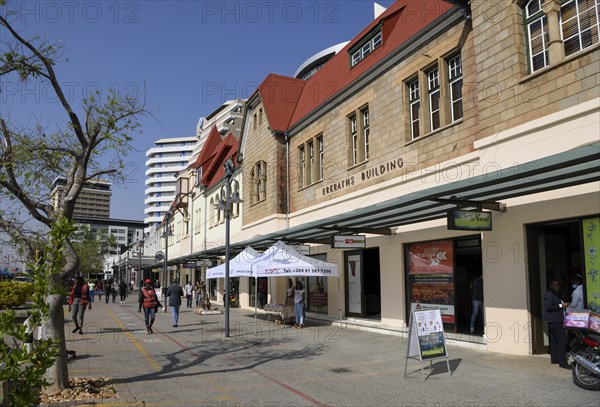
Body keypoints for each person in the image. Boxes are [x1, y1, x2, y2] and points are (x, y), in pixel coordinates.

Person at [543, 280, 570, 369]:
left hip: (557, 320)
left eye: (557, 285)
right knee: (562, 340)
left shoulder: (556, 295)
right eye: (554, 285)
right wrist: (562, 305)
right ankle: (563, 362)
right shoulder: (549, 295)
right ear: (550, 286)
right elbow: (548, 307)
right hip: (555, 321)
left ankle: (555, 359)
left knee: (554, 340)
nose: (556, 286)